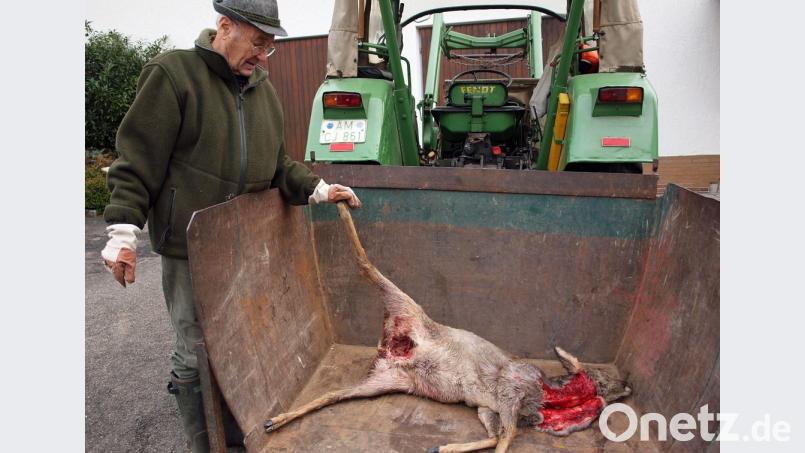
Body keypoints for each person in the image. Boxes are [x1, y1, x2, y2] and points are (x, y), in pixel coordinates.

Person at [100, 1, 361, 451]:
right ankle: (206, 443)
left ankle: (238, 433)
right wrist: (122, 232)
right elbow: (137, 160)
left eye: (270, 47)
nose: (263, 56)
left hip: (246, 244)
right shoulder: (173, 75)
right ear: (225, 27)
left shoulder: (264, 92)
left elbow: (278, 163)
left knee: (241, 345)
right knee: (195, 351)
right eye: (258, 43)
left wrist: (318, 188)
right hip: (191, 247)